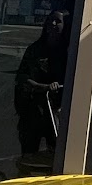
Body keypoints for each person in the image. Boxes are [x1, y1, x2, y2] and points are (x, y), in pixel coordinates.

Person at [14, 10, 69, 159]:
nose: (53, 24)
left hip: (57, 111)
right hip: (33, 109)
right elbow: (22, 77)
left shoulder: (69, 52)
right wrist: (43, 87)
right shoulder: (35, 49)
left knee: (57, 153)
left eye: (58, 21)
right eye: (50, 20)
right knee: (29, 153)